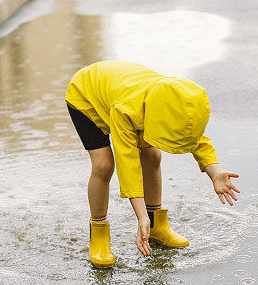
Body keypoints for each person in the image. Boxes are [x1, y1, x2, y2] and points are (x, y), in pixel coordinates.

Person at [66, 61, 240, 268]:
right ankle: (99, 232)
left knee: (153, 155)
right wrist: (140, 217)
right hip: (86, 96)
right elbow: (127, 163)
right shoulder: (126, 111)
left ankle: (156, 225)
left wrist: (215, 173)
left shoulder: (175, 102)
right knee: (104, 164)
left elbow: (195, 138)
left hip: (124, 92)